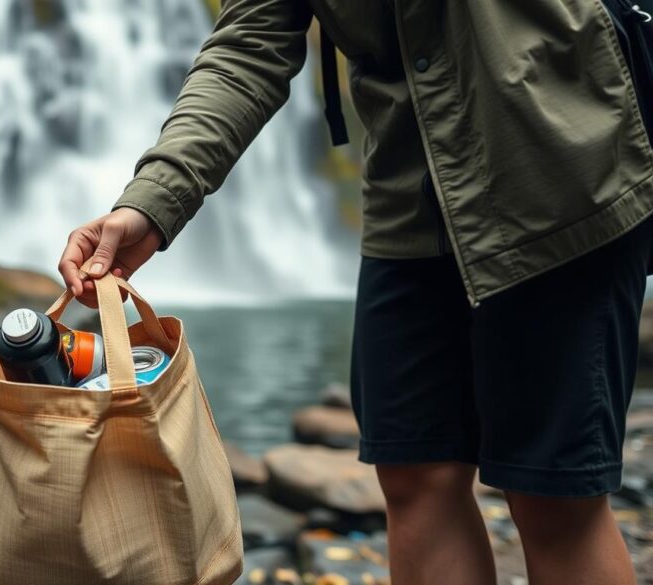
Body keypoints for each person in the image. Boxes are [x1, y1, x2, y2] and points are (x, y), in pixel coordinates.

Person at [58, 1, 653, 583]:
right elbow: (248, 46)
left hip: (556, 176)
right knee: (415, 476)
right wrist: (152, 201)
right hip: (406, 195)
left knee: (553, 496)